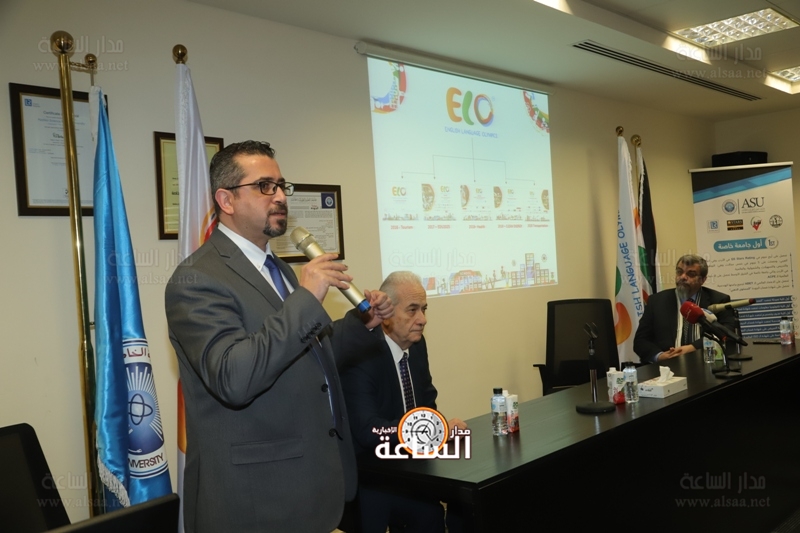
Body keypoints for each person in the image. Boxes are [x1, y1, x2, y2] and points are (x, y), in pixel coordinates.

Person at [165, 140, 393, 532]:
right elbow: (234, 377)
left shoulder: (279, 269)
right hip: (255, 502)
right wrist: (306, 298)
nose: (280, 196)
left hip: (311, 487)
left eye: (282, 185)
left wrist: (364, 322)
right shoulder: (196, 280)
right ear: (226, 200)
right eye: (264, 186)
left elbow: (308, 356)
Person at [338, 271, 466, 533]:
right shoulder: (361, 354)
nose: (423, 319)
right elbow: (369, 431)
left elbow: (427, 404)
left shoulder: (416, 345)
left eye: (424, 309)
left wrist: (439, 429)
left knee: (446, 512)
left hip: (411, 465)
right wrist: (430, 430)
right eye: (412, 310)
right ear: (386, 316)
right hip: (371, 472)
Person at [634, 254, 734, 364]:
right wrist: (660, 356)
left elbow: (728, 333)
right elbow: (640, 341)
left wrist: (692, 348)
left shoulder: (718, 300)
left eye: (691, 274)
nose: (683, 277)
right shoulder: (656, 301)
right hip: (667, 367)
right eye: (679, 272)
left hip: (705, 363)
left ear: (702, 280)